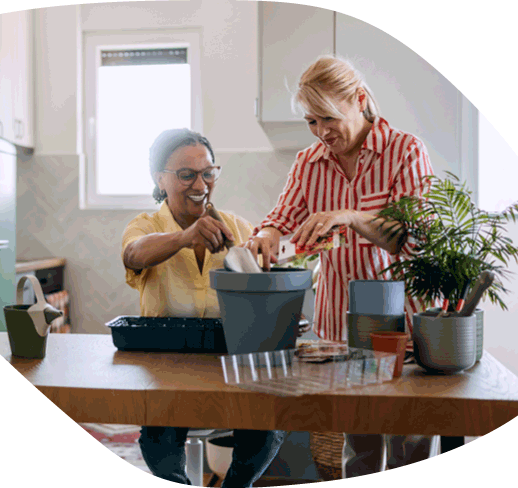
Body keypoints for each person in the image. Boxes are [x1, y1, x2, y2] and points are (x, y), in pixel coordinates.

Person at [243, 55, 439, 477]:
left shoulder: (405, 152)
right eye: (311, 122)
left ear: (360, 100)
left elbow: (417, 239)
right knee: (359, 455)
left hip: (400, 329)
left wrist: (351, 216)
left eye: (328, 117)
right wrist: (267, 237)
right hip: (340, 332)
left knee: (409, 453)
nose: (321, 132)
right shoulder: (308, 163)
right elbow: (280, 219)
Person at [121, 128, 286, 486]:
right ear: (160, 179)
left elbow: (265, 297)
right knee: (159, 445)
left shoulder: (240, 229)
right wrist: (184, 237)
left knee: (271, 426)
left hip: (230, 369)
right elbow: (133, 254)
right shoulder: (145, 226)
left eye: (208, 172)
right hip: (164, 373)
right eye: (187, 175)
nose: (201, 183)